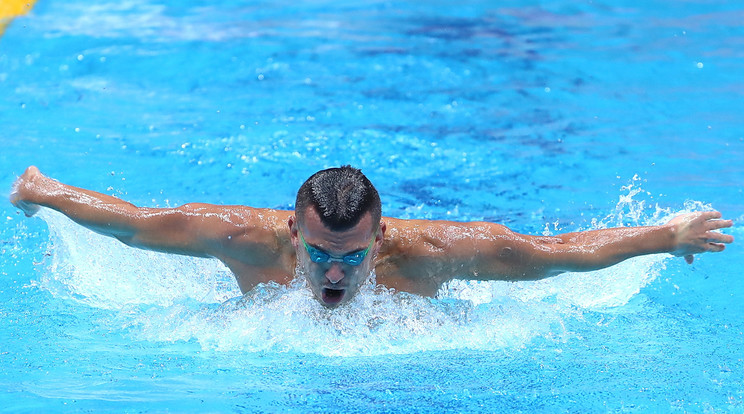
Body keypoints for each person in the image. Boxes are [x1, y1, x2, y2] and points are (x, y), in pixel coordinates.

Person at [10, 165, 734, 307]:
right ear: (293, 230)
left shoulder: (436, 253)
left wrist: (665, 236)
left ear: (379, 236)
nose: (333, 272)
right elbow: (132, 225)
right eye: (318, 252)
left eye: (351, 256)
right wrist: (43, 193)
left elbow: (555, 256)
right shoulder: (239, 239)